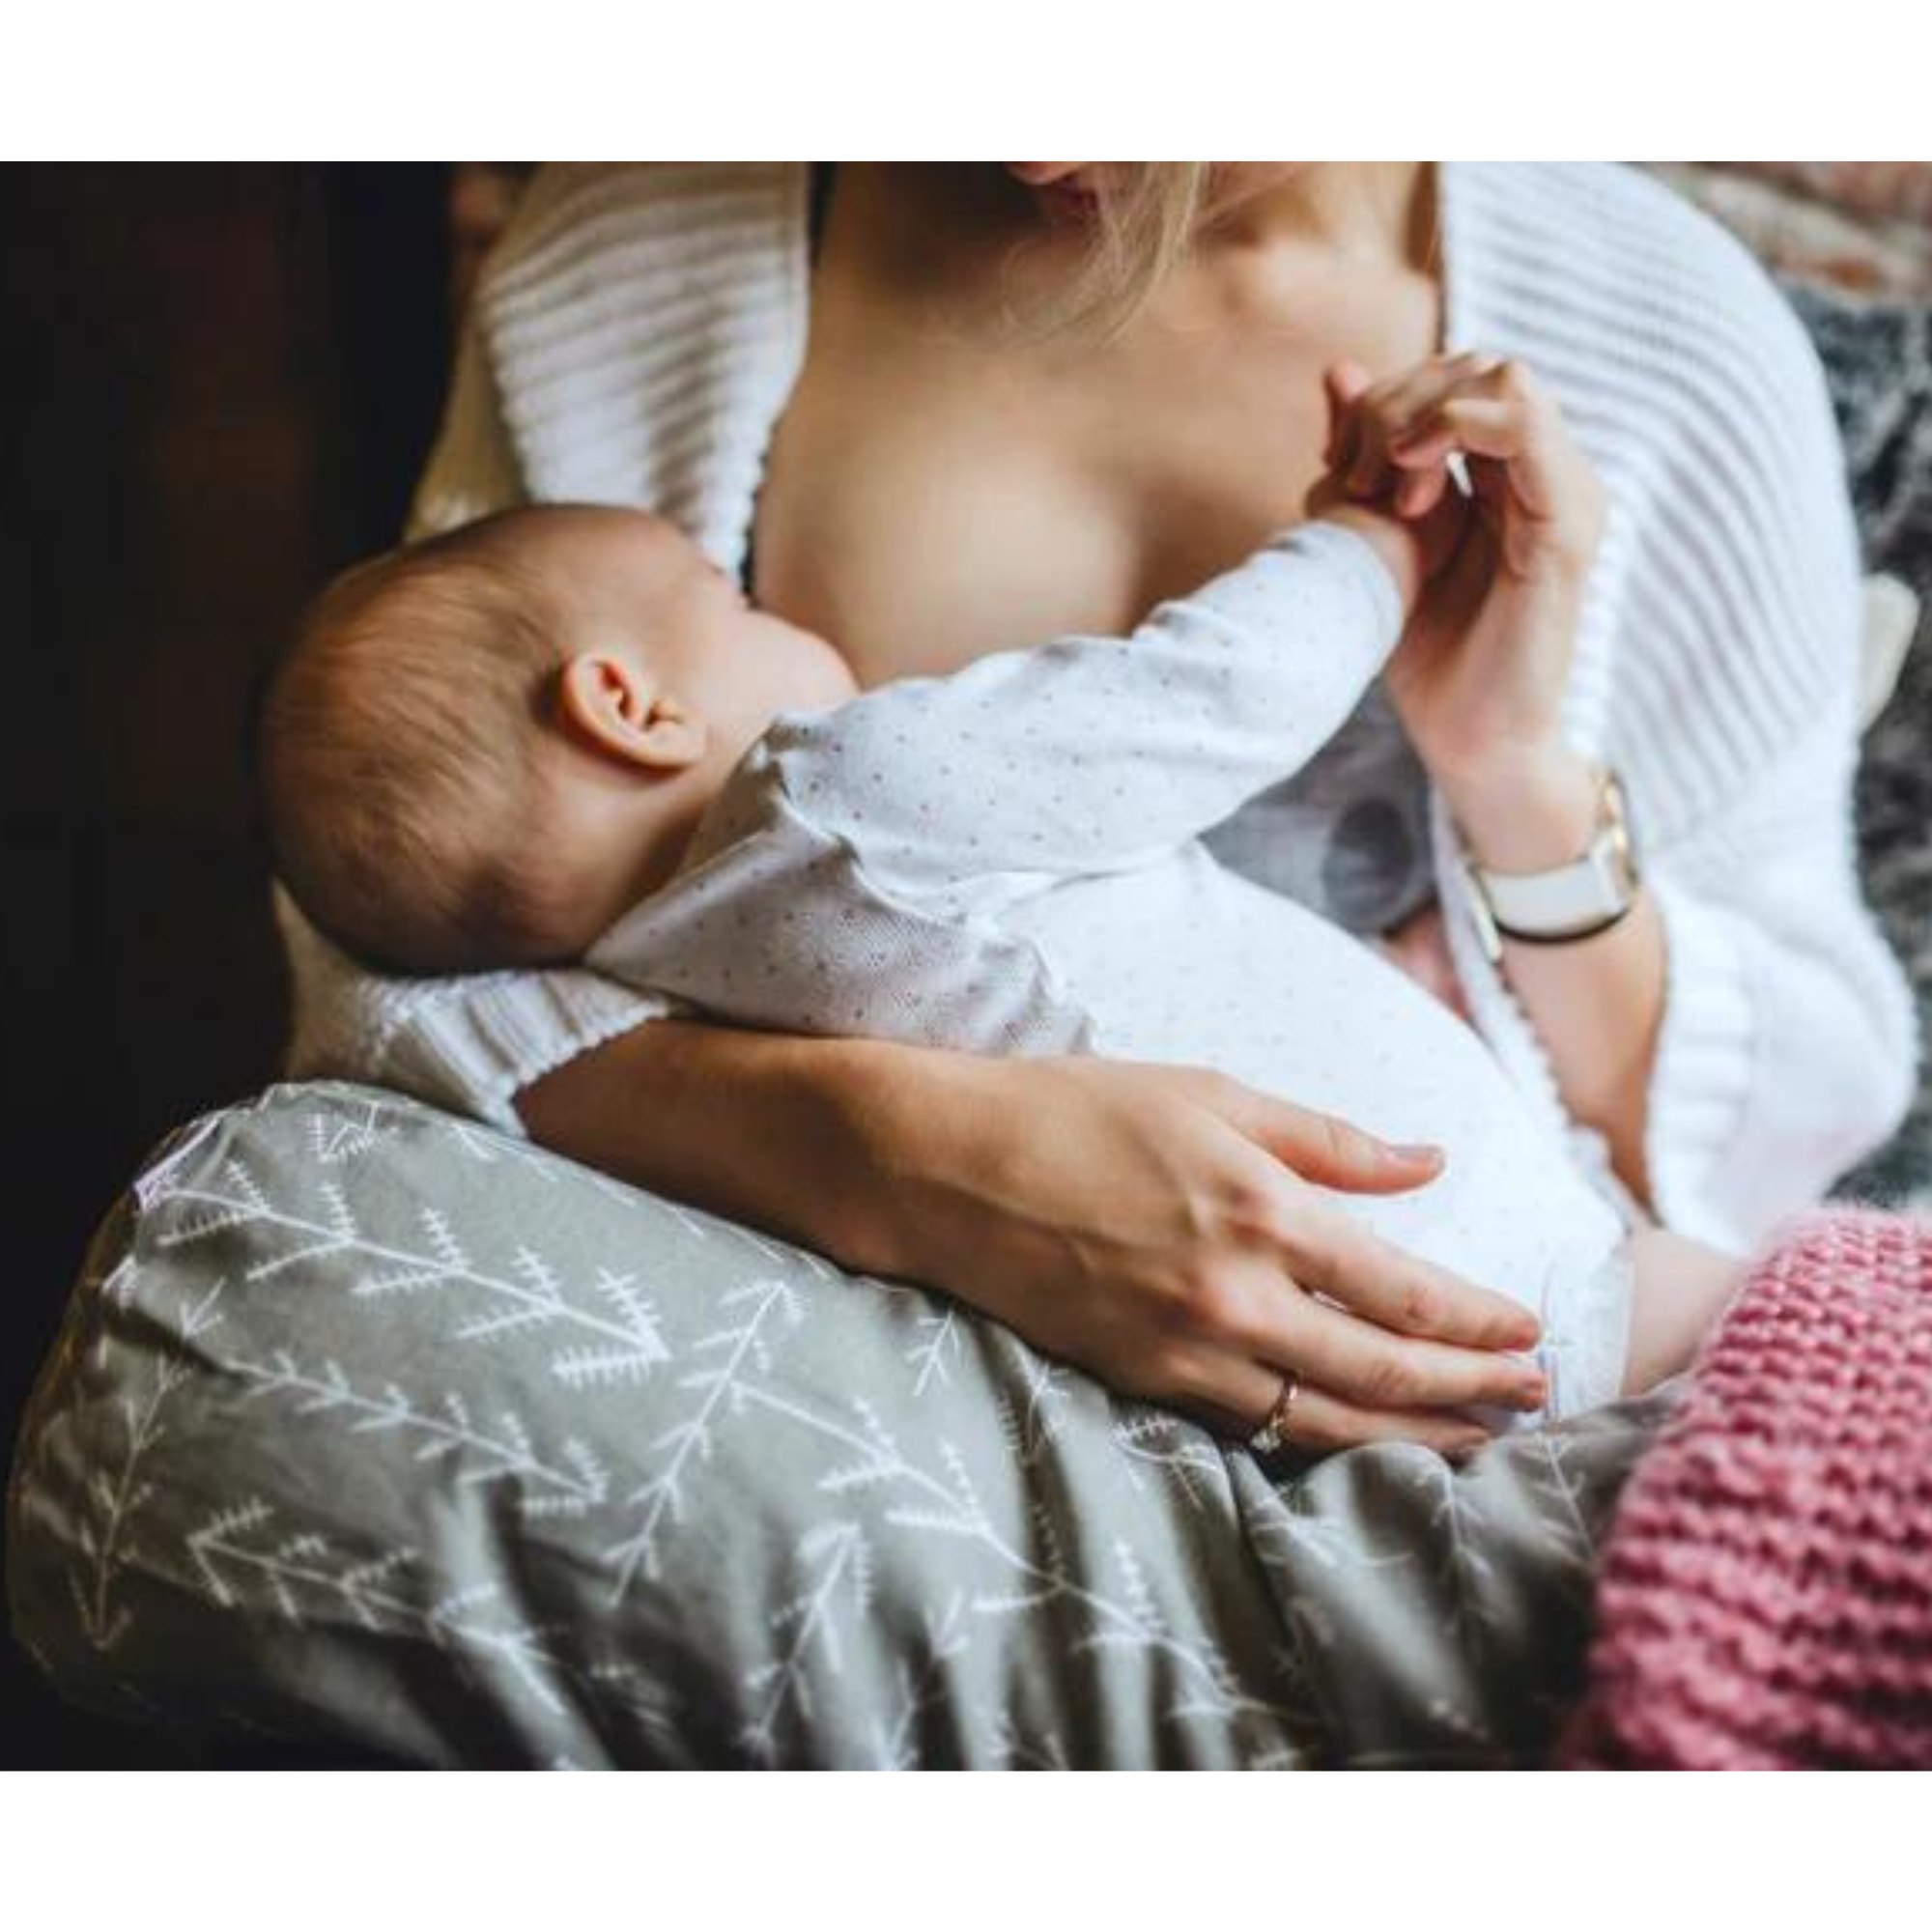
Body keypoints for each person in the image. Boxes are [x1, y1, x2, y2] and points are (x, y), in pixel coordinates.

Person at [276, 160, 1918, 1455]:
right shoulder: (652, 245)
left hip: (1480, 1341)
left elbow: (1793, 1132)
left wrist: (1517, 784)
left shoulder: (1672, 340)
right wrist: (905, 1159)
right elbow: (397, 939)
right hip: (908, 1414)